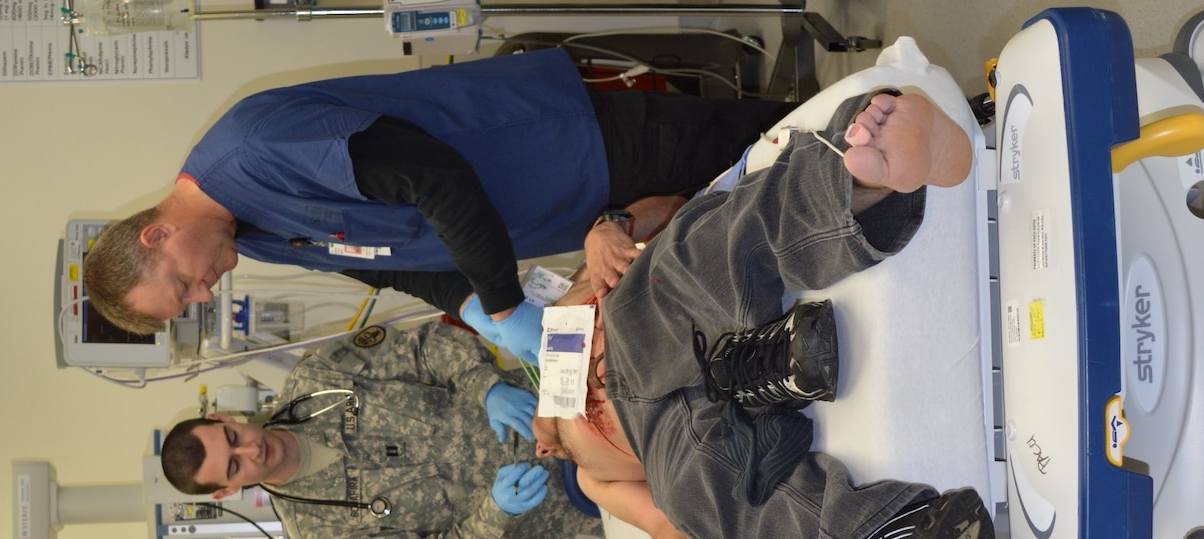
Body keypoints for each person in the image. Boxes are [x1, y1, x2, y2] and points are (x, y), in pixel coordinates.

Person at [521, 88, 995, 539]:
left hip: (654, 326)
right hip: (678, 430)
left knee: (692, 258)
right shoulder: (593, 477)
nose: (538, 444)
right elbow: (668, 531)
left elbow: (676, 209)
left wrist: (608, 228)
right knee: (689, 487)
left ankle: (864, 185)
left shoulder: (562, 320)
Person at [82, 47, 790, 348]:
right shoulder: (249, 234)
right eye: (189, 303)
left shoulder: (255, 152)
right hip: (580, 210)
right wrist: (475, 310)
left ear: (156, 237)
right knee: (775, 206)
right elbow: (387, 263)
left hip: (576, 145)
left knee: (791, 140)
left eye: (182, 285)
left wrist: (503, 298)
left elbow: (433, 177)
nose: (204, 294)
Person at [159, 319, 600, 539]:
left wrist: (487, 388)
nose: (253, 448)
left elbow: (425, 348)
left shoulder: (319, 376)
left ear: (221, 419)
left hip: (554, 399)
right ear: (227, 492)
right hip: (566, 503)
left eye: (233, 437)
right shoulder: (325, 536)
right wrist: (495, 513)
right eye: (236, 465)